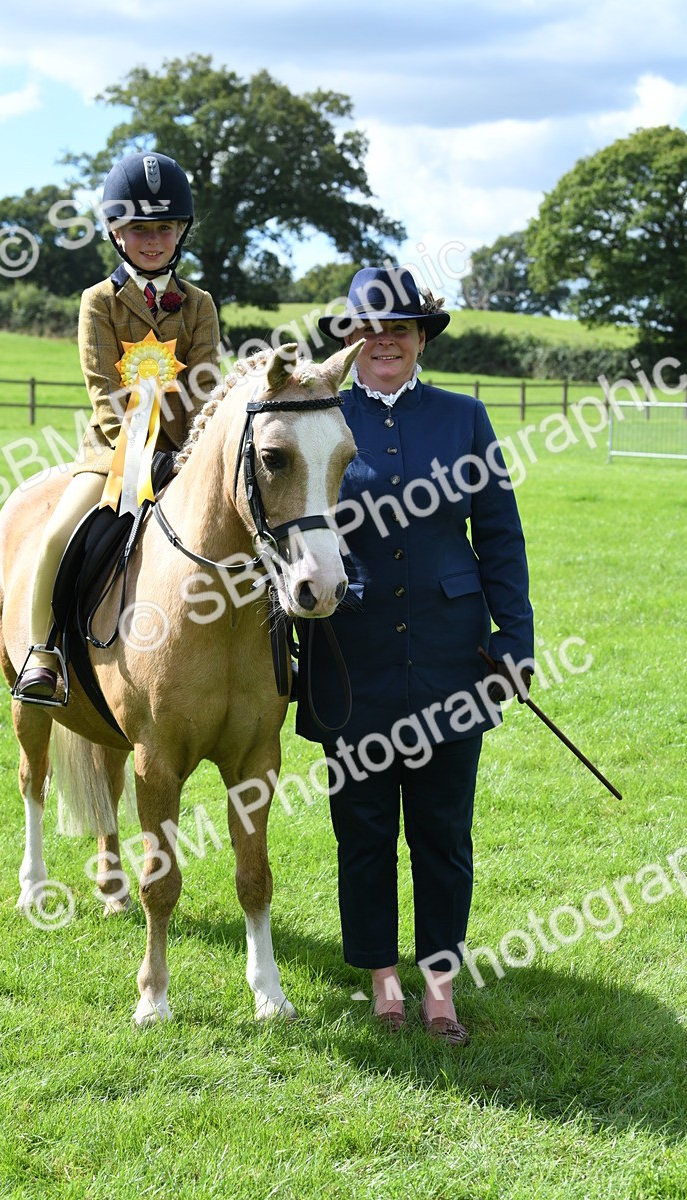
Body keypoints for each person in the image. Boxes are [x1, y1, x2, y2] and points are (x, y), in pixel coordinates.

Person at [295, 266, 534, 1043]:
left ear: (422, 338)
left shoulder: (465, 418)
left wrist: (514, 639)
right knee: (361, 829)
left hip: (450, 655)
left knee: (442, 830)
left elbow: (498, 532)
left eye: (400, 327)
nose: (385, 339)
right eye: (371, 326)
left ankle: (440, 985)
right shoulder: (321, 417)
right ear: (351, 338)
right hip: (349, 650)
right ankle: (382, 978)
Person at [14, 151, 220, 699]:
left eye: (165, 228)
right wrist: (137, 451)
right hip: (111, 454)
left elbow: (205, 388)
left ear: (181, 233)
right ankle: (43, 653)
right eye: (138, 229)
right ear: (115, 233)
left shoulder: (198, 305)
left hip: (185, 456)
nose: (152, 240)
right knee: (58, 534)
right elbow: (103, 390)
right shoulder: (98, 301)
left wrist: (188, 453)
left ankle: (275, 653)